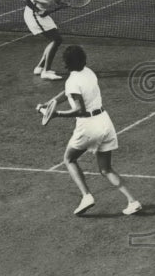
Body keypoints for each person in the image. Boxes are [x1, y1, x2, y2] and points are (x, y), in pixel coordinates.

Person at [41, 45, 142, 216]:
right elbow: (68, 93)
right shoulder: (89, 72)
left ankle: (86, 196)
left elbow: (79, 109)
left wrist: (56, 114)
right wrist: (52, 102)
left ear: (66, 63)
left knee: (69, 159)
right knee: (106, 169)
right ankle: (133, 201)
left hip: (88, 126)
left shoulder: (72, 81)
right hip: (105, 122)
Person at [22, 0, 65, 80]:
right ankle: (46, 71)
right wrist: (38, 11)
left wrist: (61, 2)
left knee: (56, 40)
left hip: (42, 12)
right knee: (57, 39)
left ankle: (40, 67)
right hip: (33, 13)